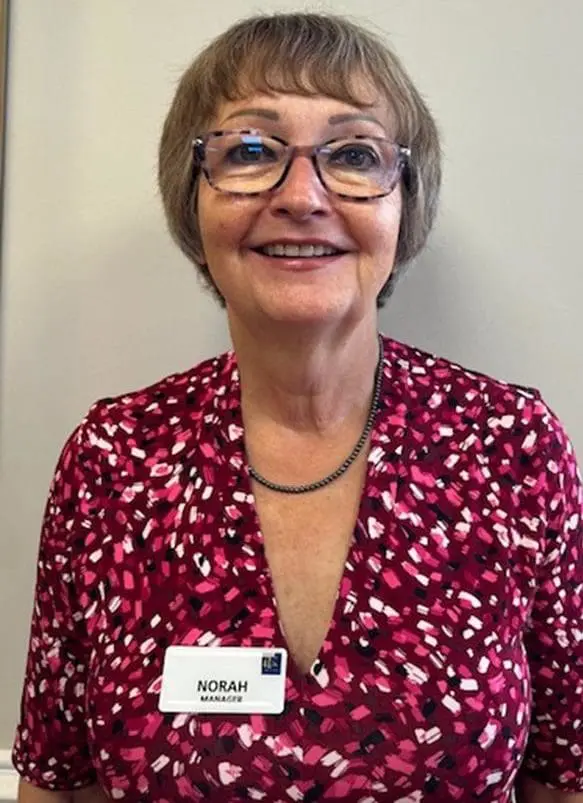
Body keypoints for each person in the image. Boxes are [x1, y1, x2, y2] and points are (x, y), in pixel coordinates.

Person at [12, 11, 583, 803]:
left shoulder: (512, 449)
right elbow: (58, 781)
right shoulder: (113, 460)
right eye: (250, 152)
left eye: (352, 155)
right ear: (194, 197)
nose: (301, 196)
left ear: (402, 203)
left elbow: (563, 776)